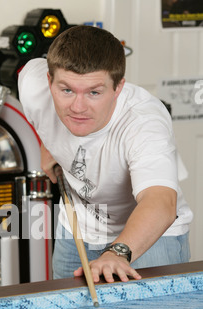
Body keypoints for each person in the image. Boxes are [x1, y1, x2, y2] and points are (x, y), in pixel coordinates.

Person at [18, 25, 193, 283]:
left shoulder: (143, 122)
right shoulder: (34, 85)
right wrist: (48, 142)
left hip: (151, 237)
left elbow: (160, 202)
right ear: (49, 82)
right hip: (76, 226)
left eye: (94, 92)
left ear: (118, 87)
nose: (78, 107)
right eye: (67, 90)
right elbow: (36, 98)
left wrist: (117, 252)